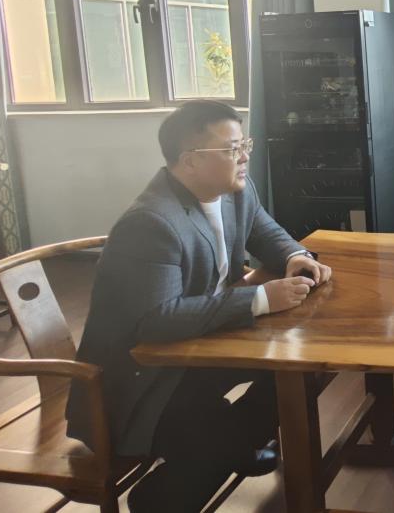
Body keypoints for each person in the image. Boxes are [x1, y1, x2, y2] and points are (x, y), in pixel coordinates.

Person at [67, 100, 333, 513]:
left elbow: (266, 232)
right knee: (218, 439)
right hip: (140, 382)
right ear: (190, 161)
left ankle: (228, 447)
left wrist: (296, 256)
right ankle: (164, 496)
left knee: (304, 368)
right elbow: (156, 321)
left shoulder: (234, 191)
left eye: (244, 144)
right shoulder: (150, 223)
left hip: (194, 350)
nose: (244, 157)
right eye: (232, 149)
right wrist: (261, 298)